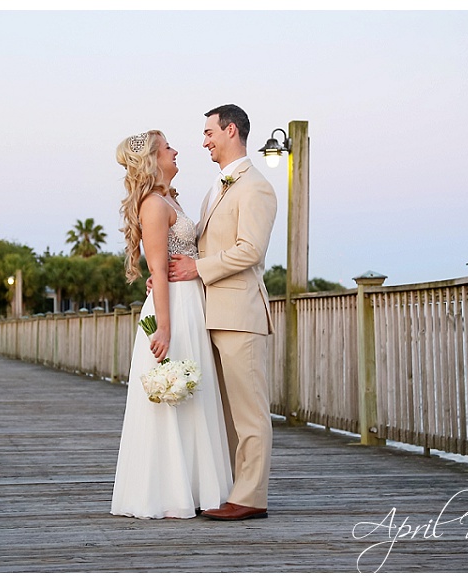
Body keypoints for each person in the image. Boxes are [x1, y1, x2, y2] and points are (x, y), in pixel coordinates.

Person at [110, 130, 232, 519]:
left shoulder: (168, 200)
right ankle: (168, 492)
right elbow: (158, 269)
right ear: (153, 158)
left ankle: (196, 487)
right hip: (172, 311)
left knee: (194, 394)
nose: (176, 151)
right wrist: (164, 328)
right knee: (174, 396)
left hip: (189, 303)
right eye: (168, 148)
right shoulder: (152, 205)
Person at [168, 104, 277, 521]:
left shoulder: (256, 187)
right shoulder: (217, 187)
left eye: (209, 132)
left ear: (231, 130)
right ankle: (230, 488)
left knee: (249, 412)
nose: (204, 140)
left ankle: (251, 497)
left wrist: (198, 269)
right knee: (224, 413)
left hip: (240, 314)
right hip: (210, 313)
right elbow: (201, 243)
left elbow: (250, 250)